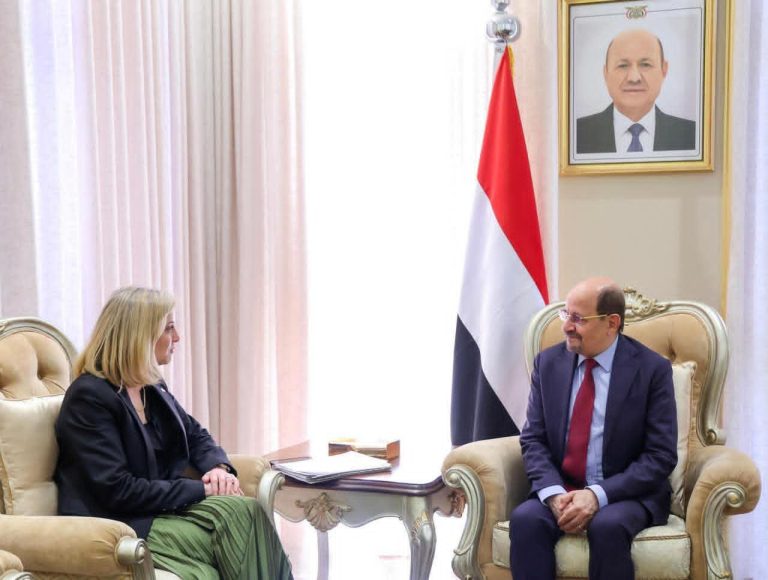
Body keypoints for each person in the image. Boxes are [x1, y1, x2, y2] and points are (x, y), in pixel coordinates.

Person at [54, 286, 293, 580]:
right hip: (120, 522)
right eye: (168, 328)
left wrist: (217, 468)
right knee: (238, 531)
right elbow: (117, 490)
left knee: (247, 511)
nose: (177, 337)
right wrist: (203, 489)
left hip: (159, 508)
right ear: (140, 336)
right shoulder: (89, 397)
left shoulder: (150, 387)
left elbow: (194, 434)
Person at [509, 277, 677, 580]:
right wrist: (553, 493)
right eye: (566, 314)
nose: (566, 326)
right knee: (526, 520)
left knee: (607, 526)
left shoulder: (652, 370)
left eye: (578, 319)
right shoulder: (548, 364)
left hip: (625, 494)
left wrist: (597, 495)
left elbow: (660, 456)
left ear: (611, 323)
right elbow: (533, 439)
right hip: (562, 488)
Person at [576, 29, 696, 154]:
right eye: (623, 66)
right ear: (606, 73)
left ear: (664, 70)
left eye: (645, 65)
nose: (634, 78)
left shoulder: (691, 135)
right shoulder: (577, 134)